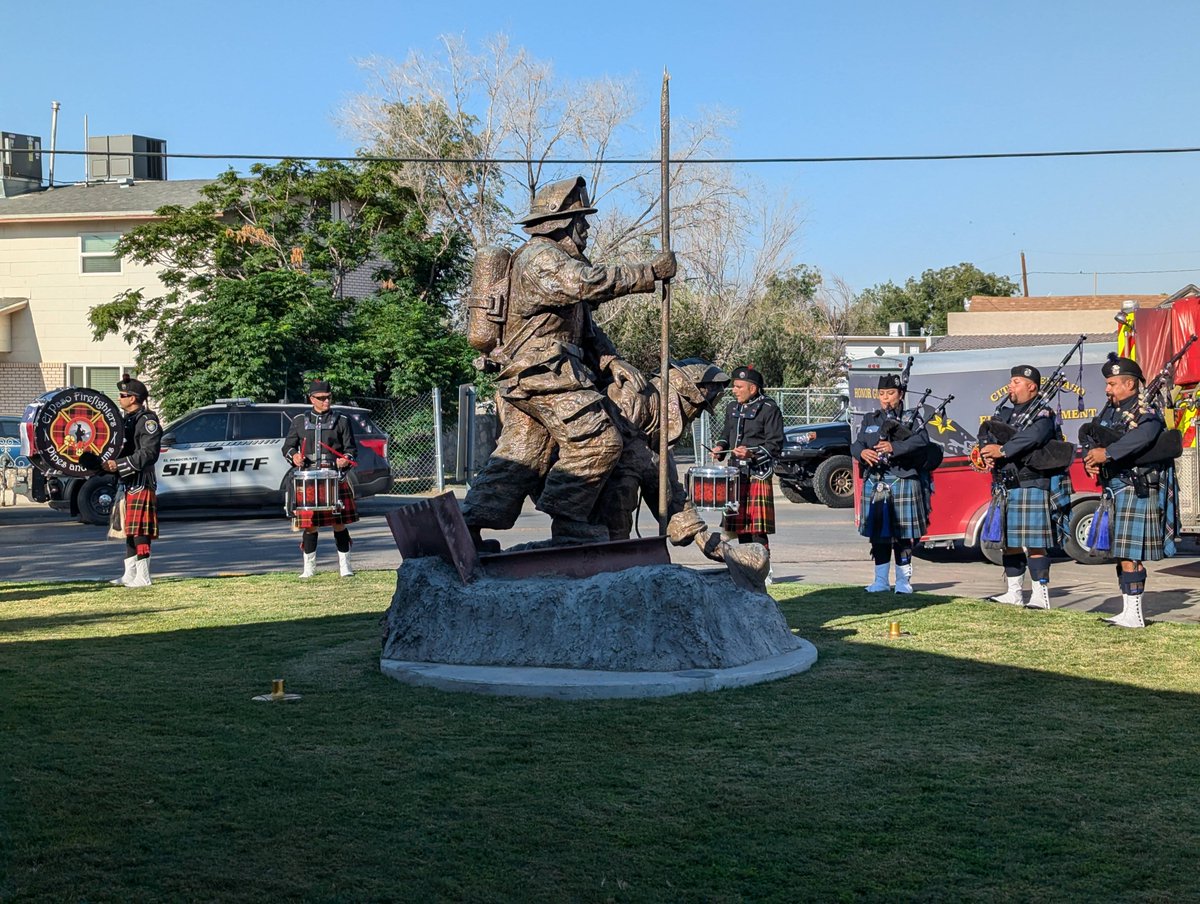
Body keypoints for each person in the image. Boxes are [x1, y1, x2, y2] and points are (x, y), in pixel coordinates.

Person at [460, 176, 676, 545]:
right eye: (581, 220)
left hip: (544, 373)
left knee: (522, 456)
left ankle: (467, 527)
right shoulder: (541, 258)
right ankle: (568, 521)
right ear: (562, 223)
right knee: (599, 442)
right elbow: (587, 283)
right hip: (543, 373)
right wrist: (649, 272)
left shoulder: (556, 260)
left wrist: (610, 360)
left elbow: (582, 329)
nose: (587, 228)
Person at [1082, 356, 1172, 628]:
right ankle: (1127, 610)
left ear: (1130, 384)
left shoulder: (1148, 411)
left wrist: (1107, 453)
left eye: (1112, 384)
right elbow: (1095, 436)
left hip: (1136, 487)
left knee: (1131, 554)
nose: (1107, 389)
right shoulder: (1110, 412)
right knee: (1121, 553)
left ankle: (1135, 614)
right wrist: (1091, 458)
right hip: (1115, 487)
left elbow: (1142, 438)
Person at [977, 365, 1068, 609]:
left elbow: (1033, 438)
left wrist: (1003, 450)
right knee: (1009, 542)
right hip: (1006, 484)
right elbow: (989, 434)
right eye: (1011, 381)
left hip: (1031, 483)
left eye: (1016, 382)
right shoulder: (1004, 414)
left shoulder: (1044, 414)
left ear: (1032, 387)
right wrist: (986, 452)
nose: (1011, 386)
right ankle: (1014, 593)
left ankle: (1040, 595)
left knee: (1034, 542)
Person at [851, 373, 931, 594]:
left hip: (903, 478)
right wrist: (862, 453)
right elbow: (856, 444)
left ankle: (904, 581)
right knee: (879, 535)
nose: (886, 398)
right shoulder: (871, 419)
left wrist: (894, 447)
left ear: (900, 394)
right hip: (877, 480)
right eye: (882, 393)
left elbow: (922, 441)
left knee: (903, 534)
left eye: (890, 393)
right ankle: (880, 581)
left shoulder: (912, 418)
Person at [282, 379, 359, 579]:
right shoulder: (299, 420)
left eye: (328, 397)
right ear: (312, 399)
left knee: (339, 524)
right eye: (322, 398)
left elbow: (351, 450)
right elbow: (287, 447)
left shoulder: (342, 420)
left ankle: (345, 568)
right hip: (308, 479)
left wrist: (345, 460)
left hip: (334, 478)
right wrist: (294, 456)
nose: (326, 401)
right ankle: (309, 569)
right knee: (309, 525)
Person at [712, 366, 785, 560]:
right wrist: (720, 447)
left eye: (738, 387)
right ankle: (746, 564)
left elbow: (775, 444)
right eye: (734, 386)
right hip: (735, 473)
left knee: (757, 529)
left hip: (757, 474)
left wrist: (751, 454)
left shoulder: (769, 409)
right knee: (740, 526)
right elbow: (726, 433)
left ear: (752, 388)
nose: (734, 390)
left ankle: (762, 566)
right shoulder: (732, 407)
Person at [103, 375, 162, 588]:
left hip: (141, 480)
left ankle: (143, 576)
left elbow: (149, 453)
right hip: (127, 481)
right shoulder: (127, 420)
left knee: (140, 531)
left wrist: (119, 464)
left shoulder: (147, 421)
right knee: (129, 529)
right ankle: (130, 574)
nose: (119, 398)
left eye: (122, 395)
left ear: (133, 398)